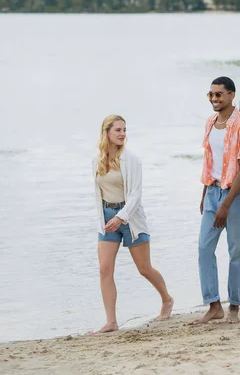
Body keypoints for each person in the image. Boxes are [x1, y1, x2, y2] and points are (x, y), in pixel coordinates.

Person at [91, 115, 173, 334]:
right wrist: (108, 219)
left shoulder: (132, 160)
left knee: (144, 268)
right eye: (117, 130)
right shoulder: (97, 160)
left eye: (124, 130)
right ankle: (111, 322)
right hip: (107, 217)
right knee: (104, 269)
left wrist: (121, 218)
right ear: (106, 132)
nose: (122, 134)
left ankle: (167, 299)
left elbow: (136, 195)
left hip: (130, 217)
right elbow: (98, 194)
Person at [191, 76, 240, 325]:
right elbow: (209, 162)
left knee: (236, 251)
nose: (214, 99)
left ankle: (235, 307)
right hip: (212, 192)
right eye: (211, 95)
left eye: (219, 94)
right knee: (204, 248)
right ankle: (214, 305)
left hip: (236, 197)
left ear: (231, 95)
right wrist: (206, 195)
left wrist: (226, 204)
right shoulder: (209, 122)